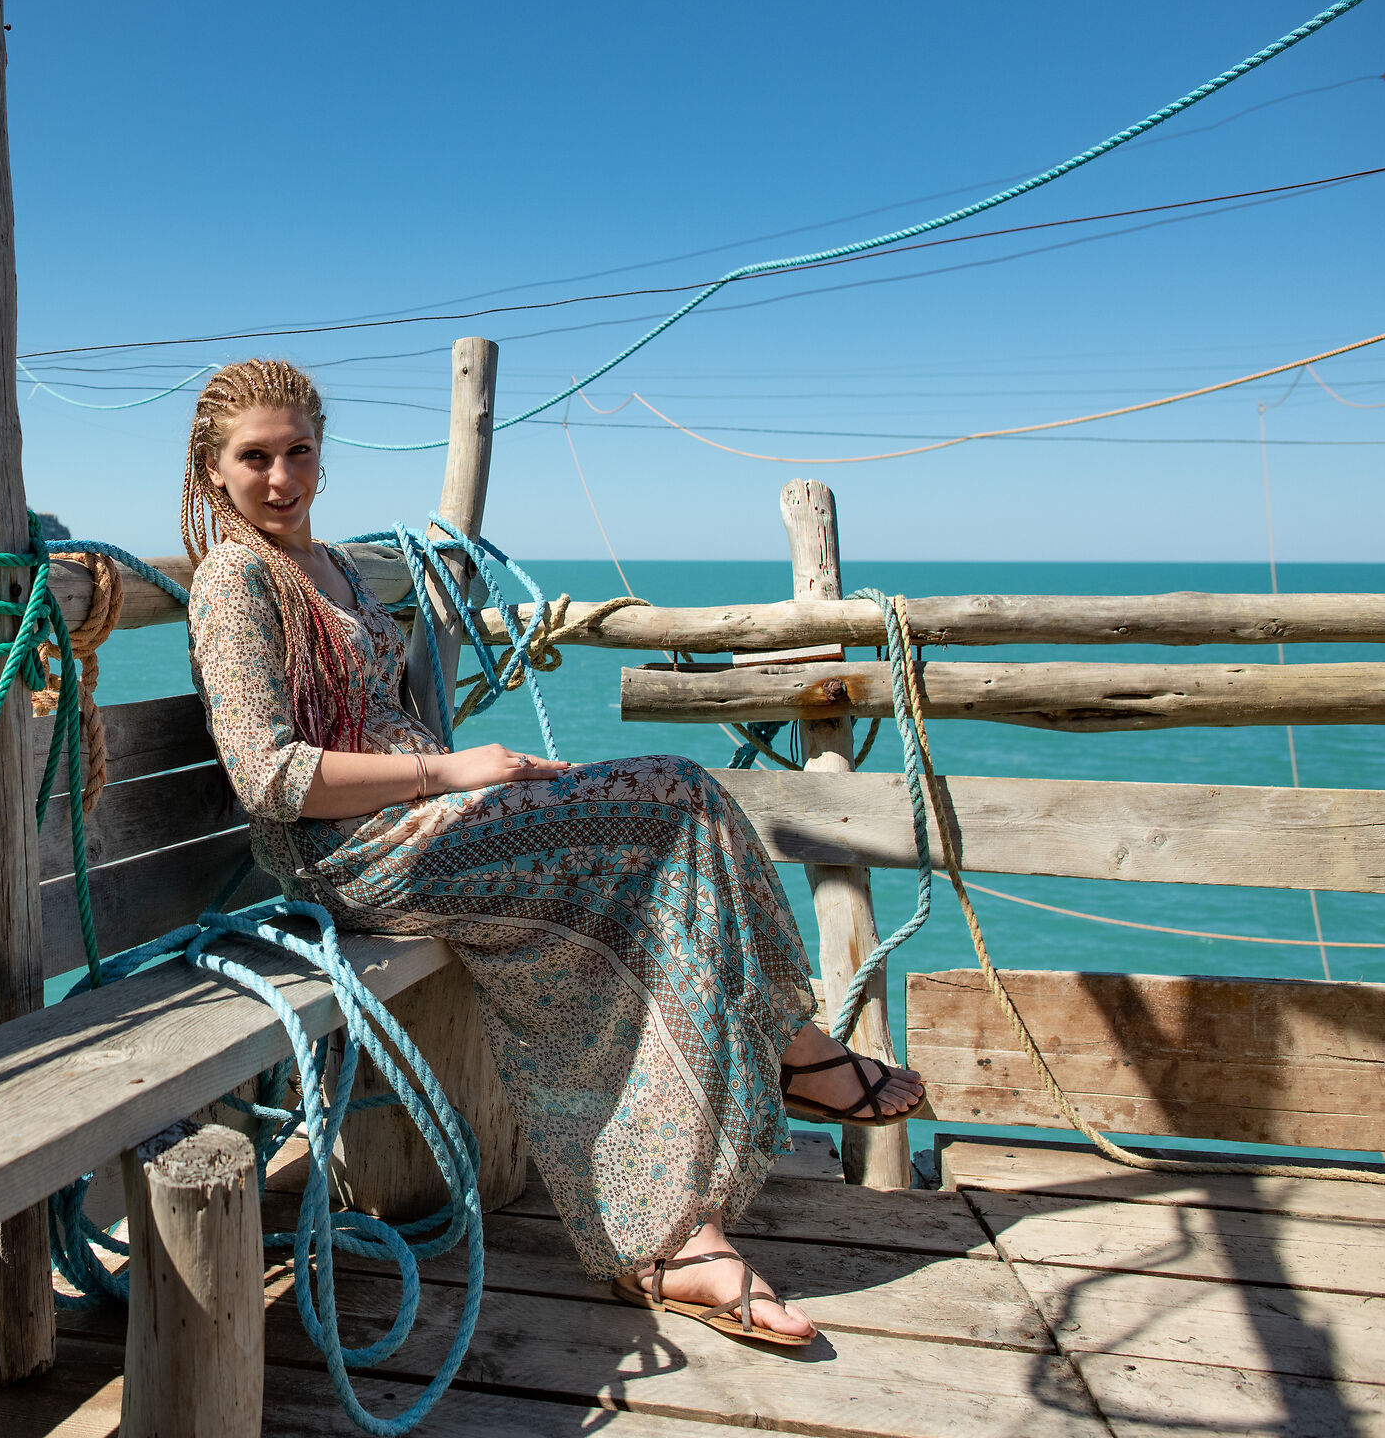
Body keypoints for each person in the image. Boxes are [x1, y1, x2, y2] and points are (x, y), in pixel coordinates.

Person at [181, 358, 924, 1346]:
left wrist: (477, 778)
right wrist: (450, 774)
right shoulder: (235, 580)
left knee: (635, 896)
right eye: (255, 458)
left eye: (298, 450)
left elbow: (380, 719)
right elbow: (269, 776)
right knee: (675, 794)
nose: (281, 478)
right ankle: (787, 1055)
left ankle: (675, 1227)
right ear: (213, 470)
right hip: (361, 852)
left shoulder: (342, 567)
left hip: (429, 822)